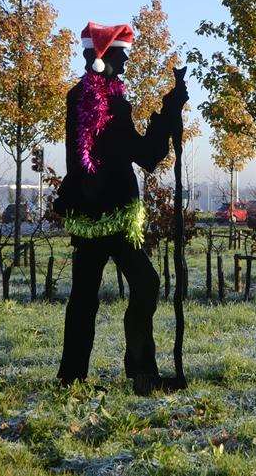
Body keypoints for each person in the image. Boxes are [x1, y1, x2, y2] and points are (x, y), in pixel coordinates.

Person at [53, 22, 187, 395]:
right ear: (102, 59)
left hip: (90, 215)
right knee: (143, 284)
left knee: (85, 298)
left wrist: (168, 111)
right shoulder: (107, 103)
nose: (126, 63)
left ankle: (73, 378)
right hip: (111, 216)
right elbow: (144, 155)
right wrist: (169, 111)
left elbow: (114, 157)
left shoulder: (82, 97)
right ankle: (140, 373)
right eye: (121, 56)